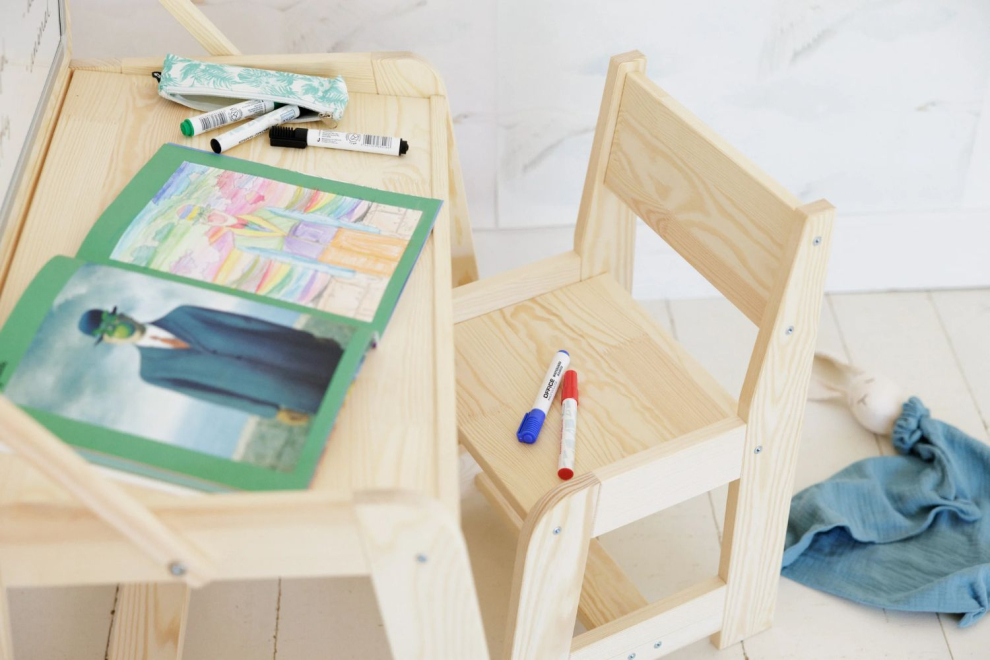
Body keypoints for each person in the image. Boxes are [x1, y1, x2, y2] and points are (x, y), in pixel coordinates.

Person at [78, 305, 341, 424]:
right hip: (282, 392)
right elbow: (212, 395)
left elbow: (249, 324)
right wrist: (273, 412)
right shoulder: (152, 372)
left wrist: (307, 338)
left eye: (113, 321)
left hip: (303, 356)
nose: (118, 329)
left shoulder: (184, 314)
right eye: (109, 332)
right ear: (110, 342)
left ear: (122, 314)